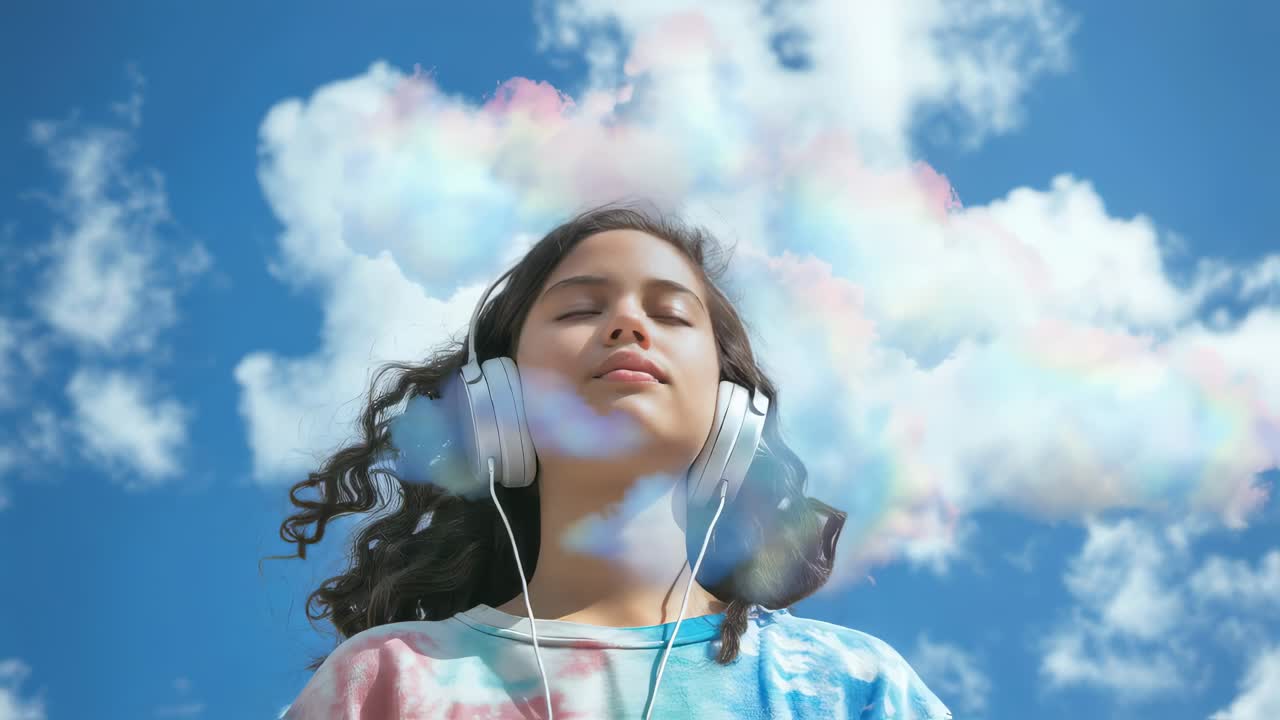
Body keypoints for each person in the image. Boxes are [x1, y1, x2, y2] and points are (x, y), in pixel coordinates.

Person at [272, 203, 952, 719]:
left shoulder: (851, 686)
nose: (629, 325)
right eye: (579, 310)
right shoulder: (386, 681)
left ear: (730, 413)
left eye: (673, 315)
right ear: (497, 400)